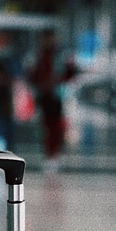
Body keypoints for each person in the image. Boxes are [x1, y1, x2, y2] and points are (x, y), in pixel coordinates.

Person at [30, 29, 77, 171]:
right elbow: (33, 76)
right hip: (45, 97)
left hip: (59, 96)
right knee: (47, 127)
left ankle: (56, 153)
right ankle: (50, 154)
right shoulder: (39, 56)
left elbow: (71, 73)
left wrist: (59, 81)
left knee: (58, 126)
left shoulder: (62, 55)